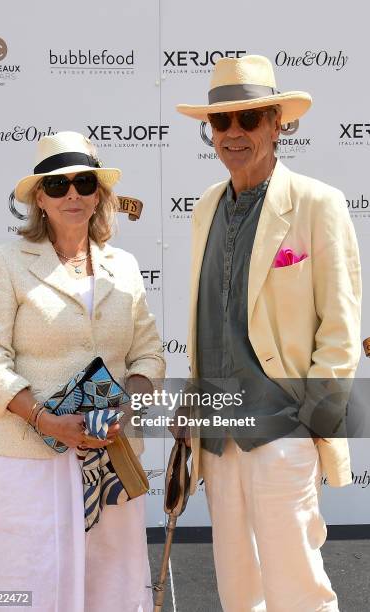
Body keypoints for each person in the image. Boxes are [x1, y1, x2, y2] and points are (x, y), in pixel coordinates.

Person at [175, 55, 361, 611]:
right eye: (221, 121)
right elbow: (208, 319)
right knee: (239, 592)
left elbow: (341, 326)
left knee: (298, 590)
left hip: (283, 432)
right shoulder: (207, 205)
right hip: (220, 436)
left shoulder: (317, 203)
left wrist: (311, 424)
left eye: (249, 119)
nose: (233, 133)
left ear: (278, 123)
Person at [0, 131, 165, 612]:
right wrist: (45, 420)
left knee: (111, 581)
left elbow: (149, 356)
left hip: (111, 453)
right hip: (31, 456)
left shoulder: (125, 265)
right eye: (57, 185)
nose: (72, 194)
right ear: (40, 197)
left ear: (99, 193)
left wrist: (126, 404)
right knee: (27, 578)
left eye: (83, 182)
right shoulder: (5, 262)